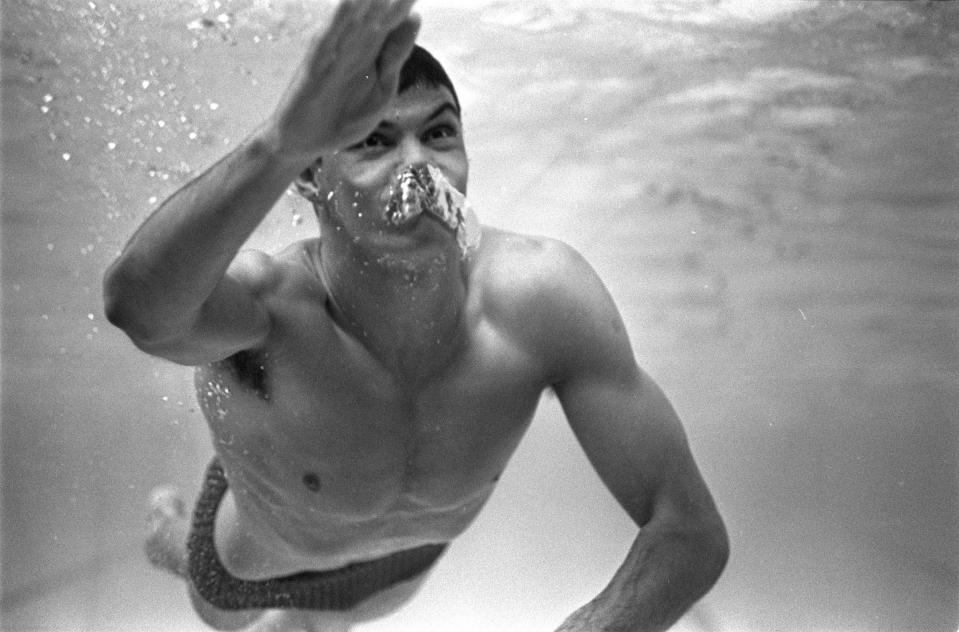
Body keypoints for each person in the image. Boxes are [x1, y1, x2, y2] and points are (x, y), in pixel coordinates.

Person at [103, 1, 729, 630]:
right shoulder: (274, 305)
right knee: (219, 597)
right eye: (374, 142)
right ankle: (171, 534)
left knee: (313, 627)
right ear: (311, 177)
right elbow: (139, 308)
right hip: (243, 575)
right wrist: (281, 144)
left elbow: (692, 529)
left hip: (398, 578)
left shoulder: (542, 299)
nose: (419, 168)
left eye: (438, 134)